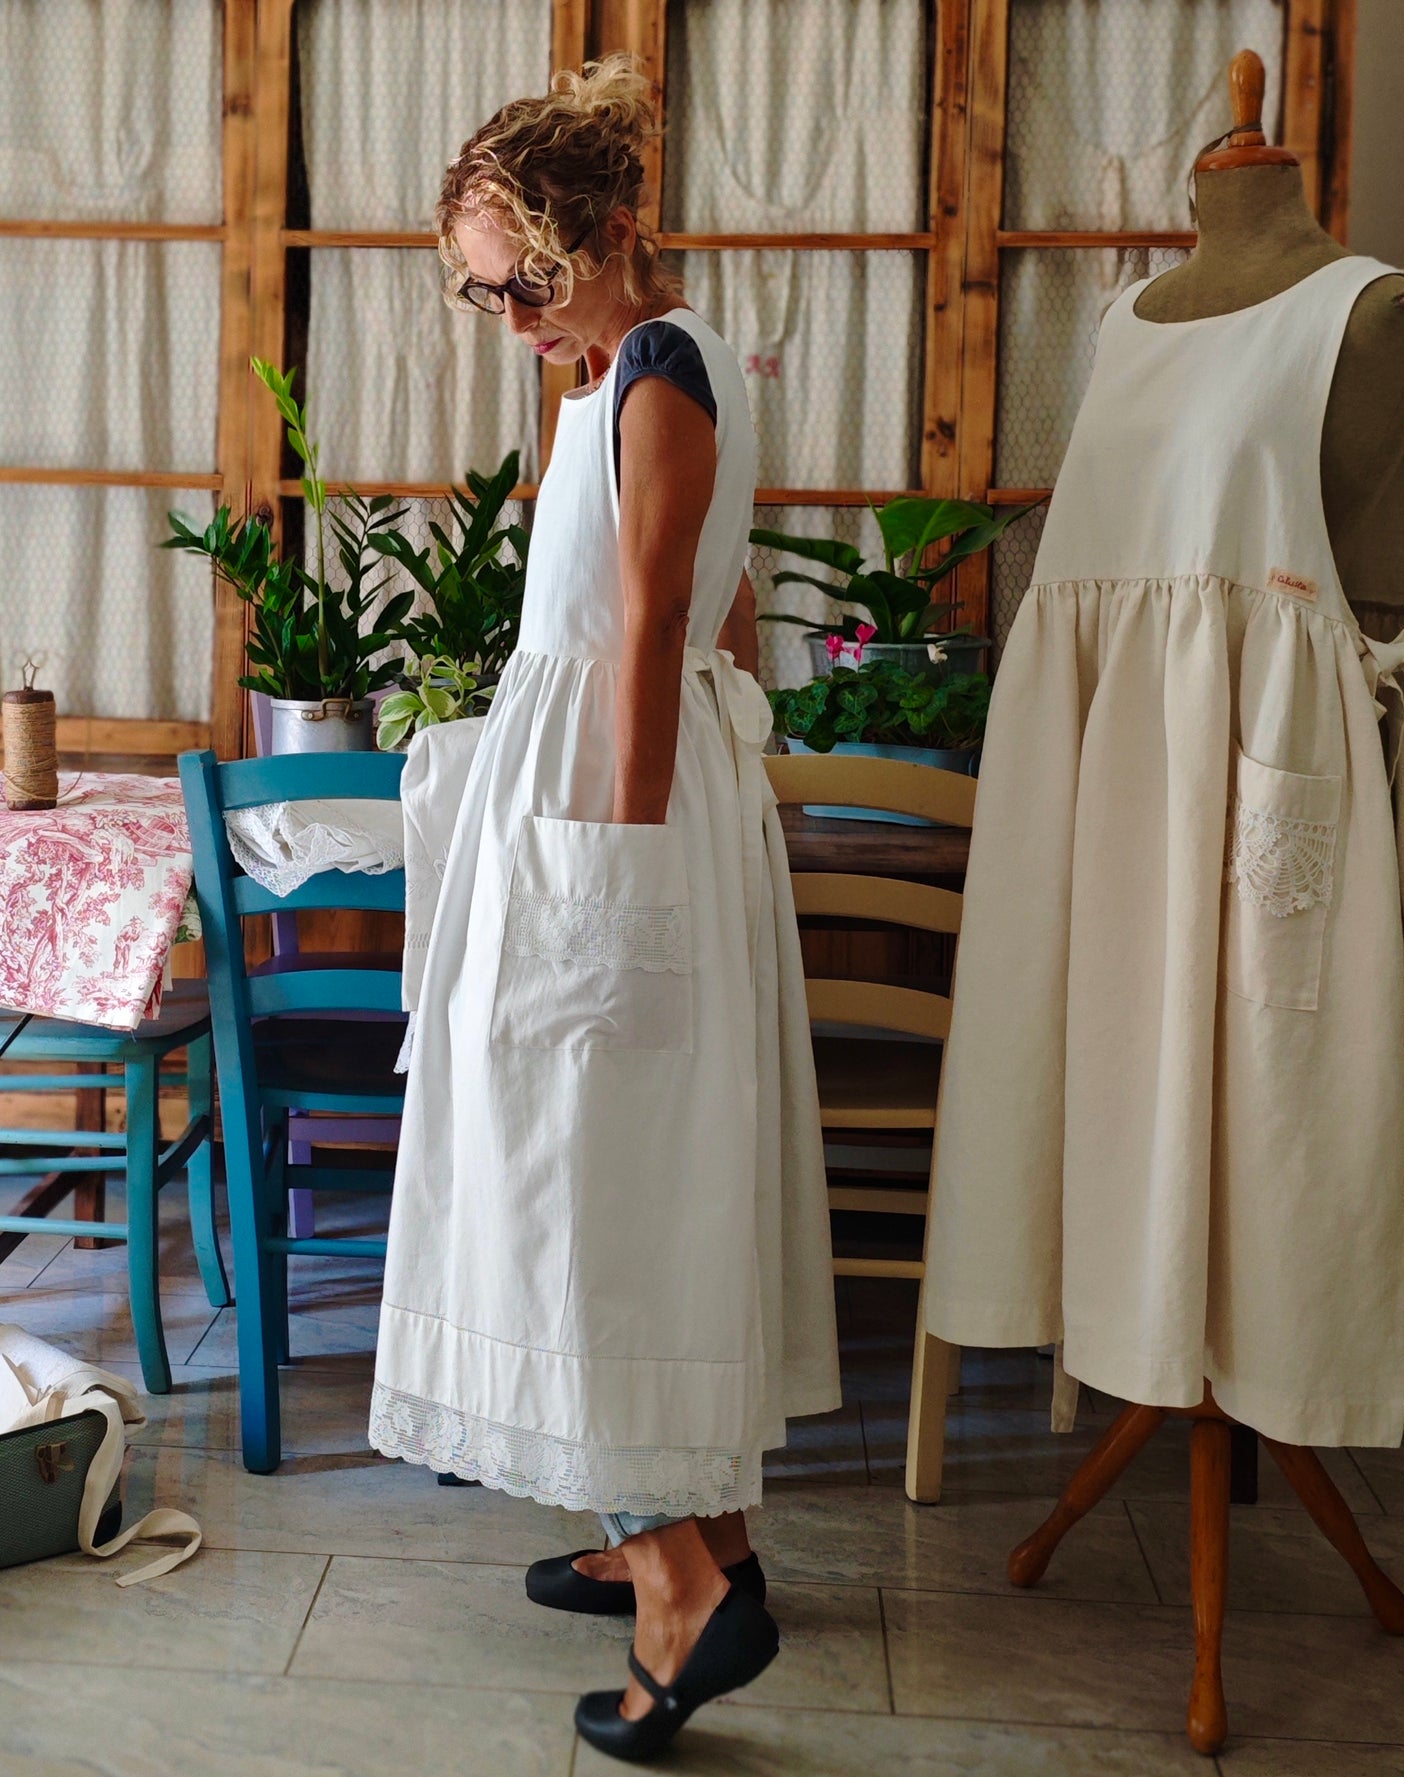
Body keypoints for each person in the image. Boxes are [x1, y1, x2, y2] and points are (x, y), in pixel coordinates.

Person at [368, 55, 840, 1762]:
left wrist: (620, 876)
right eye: (486, 288)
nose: (504, 316)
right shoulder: (634, 361)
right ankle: (689, 1528)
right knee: (609, 1180)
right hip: (597, 792)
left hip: (607, 816)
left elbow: (656, 632)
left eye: (523, 282)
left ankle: (679, 1588)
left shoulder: (654, 371)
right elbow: (704, 630)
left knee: (563, 1188)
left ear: (606, 238)